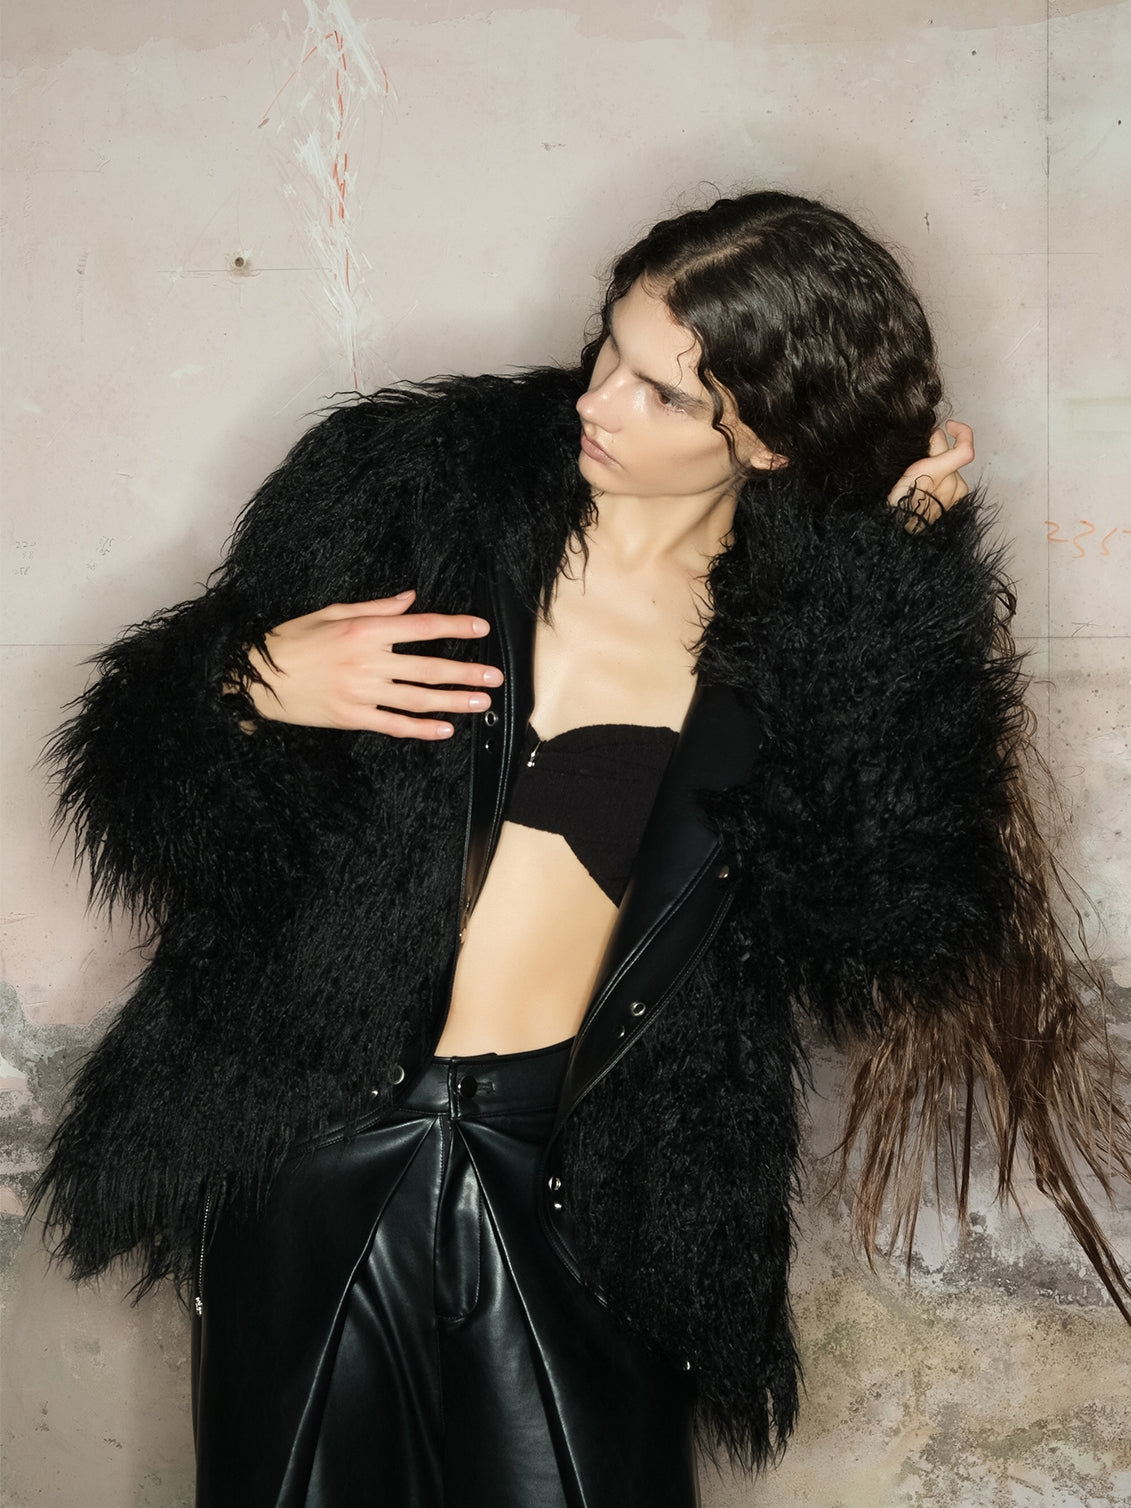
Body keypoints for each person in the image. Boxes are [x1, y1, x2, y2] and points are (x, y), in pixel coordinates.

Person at [33, 190, 1130, 1507]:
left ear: (770, 440)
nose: (598, 401)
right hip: (315, 1145)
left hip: (595, 1186)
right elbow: (147, 793)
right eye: (611, 347)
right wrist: (247, 679)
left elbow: (886, 936)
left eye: (665, 394)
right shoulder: (415, 491)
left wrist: (895, 599)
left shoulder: (802, 626)